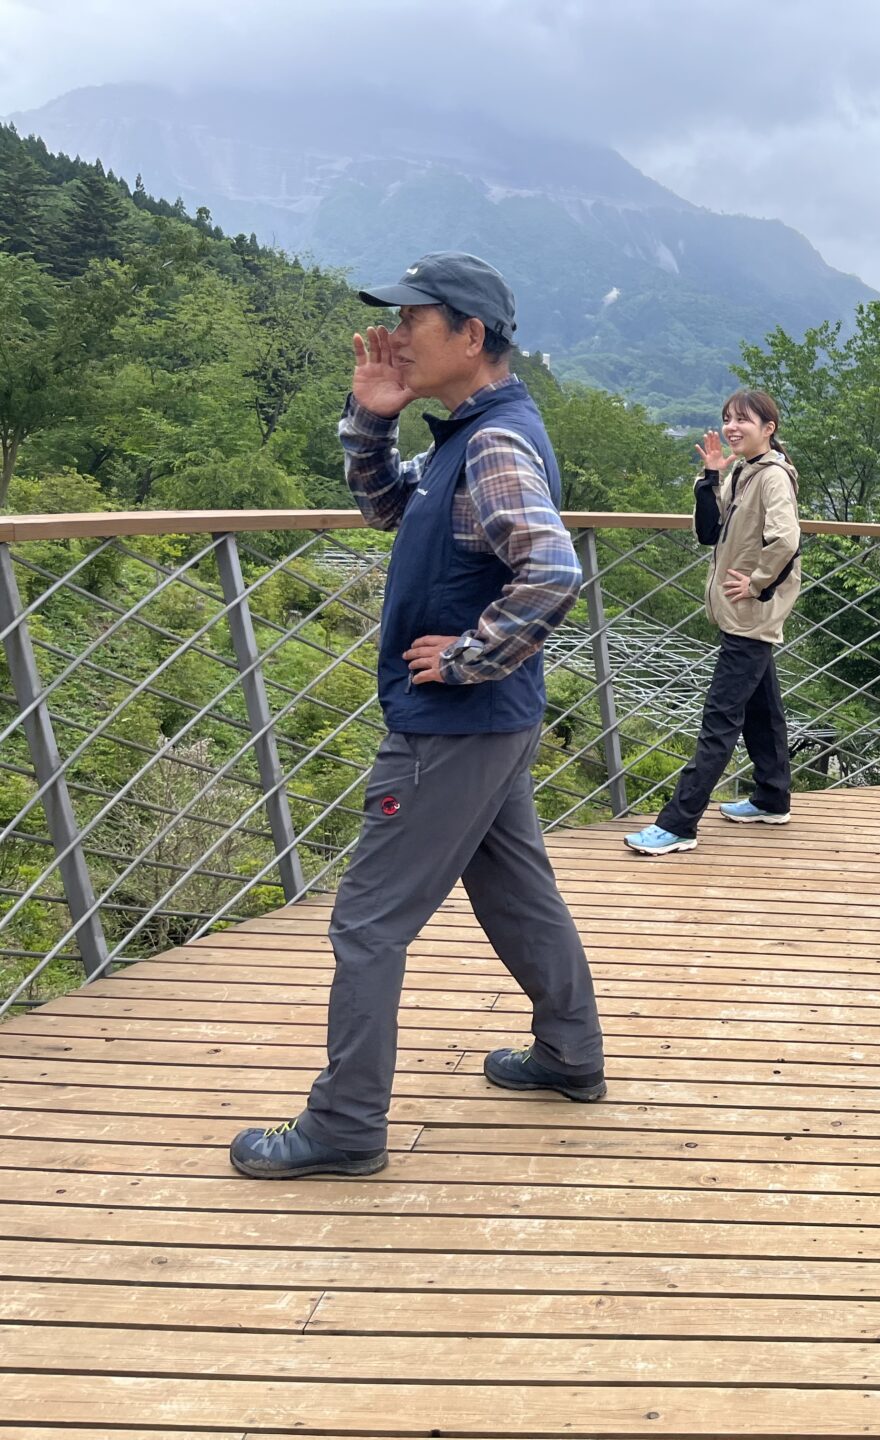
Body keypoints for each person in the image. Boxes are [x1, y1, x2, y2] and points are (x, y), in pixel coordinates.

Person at [230, 251, 606, 1180]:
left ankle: (345, 1126)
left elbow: (553, 572)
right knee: (517, 891)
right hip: (493, 722)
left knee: (366, 923)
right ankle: (569, 1054)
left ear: (470, 336)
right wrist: (371, 419)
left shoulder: (492, 443)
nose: (396, 334)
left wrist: (471, 655)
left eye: (415, 320)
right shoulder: (468, 433)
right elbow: (385, 508)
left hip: (453, 727)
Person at [624, 390, 802, 855]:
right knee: (762, 709)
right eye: (727, 418)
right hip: (740, 615)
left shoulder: (773, 478)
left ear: (769, 428)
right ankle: (772, 795)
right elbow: (709, 532)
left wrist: (759, 584)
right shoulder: (743, 472)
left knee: (719, 720)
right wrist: (710, 475)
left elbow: (785, 540)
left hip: (750, 613)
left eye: (743, 419)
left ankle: (680, 822)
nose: (732, 425)